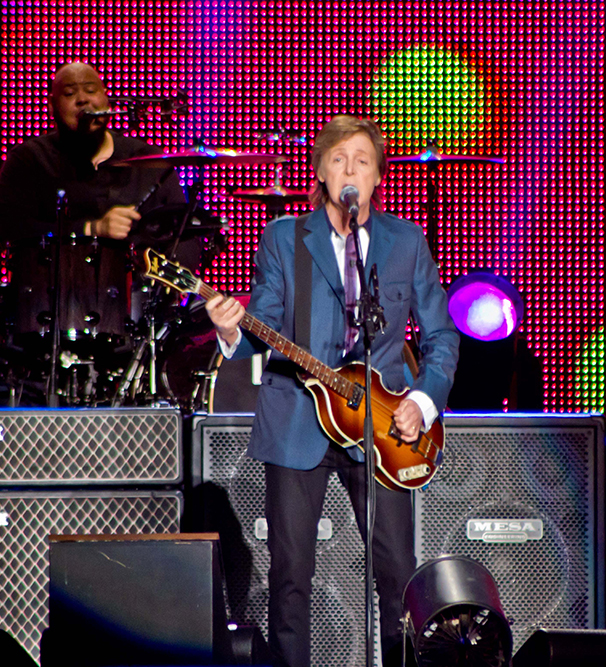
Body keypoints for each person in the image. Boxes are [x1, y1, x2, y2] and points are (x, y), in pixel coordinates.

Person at [205, 115, 459, 667]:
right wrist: (231, 331)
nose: (350, 170)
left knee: (398, 575)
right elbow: (263, 320)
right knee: (290, 576)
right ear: (320, 172)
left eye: (362, 161)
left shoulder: (406, 241)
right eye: (339, 159)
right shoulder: (285, 237)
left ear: (378, 177)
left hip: (384, 428)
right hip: (298, 420)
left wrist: (420, 403)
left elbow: (441, 336)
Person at [0, 61, 187, 405]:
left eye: (91, 90)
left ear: (107, 99)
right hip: (45, 324)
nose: (82, 99)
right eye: (70, 93)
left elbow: (182, 235)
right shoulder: (30, 160)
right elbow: (9, 225)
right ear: (53, 106)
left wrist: (168, 290)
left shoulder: (147, 162)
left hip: (134, 329)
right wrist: (92, 229)